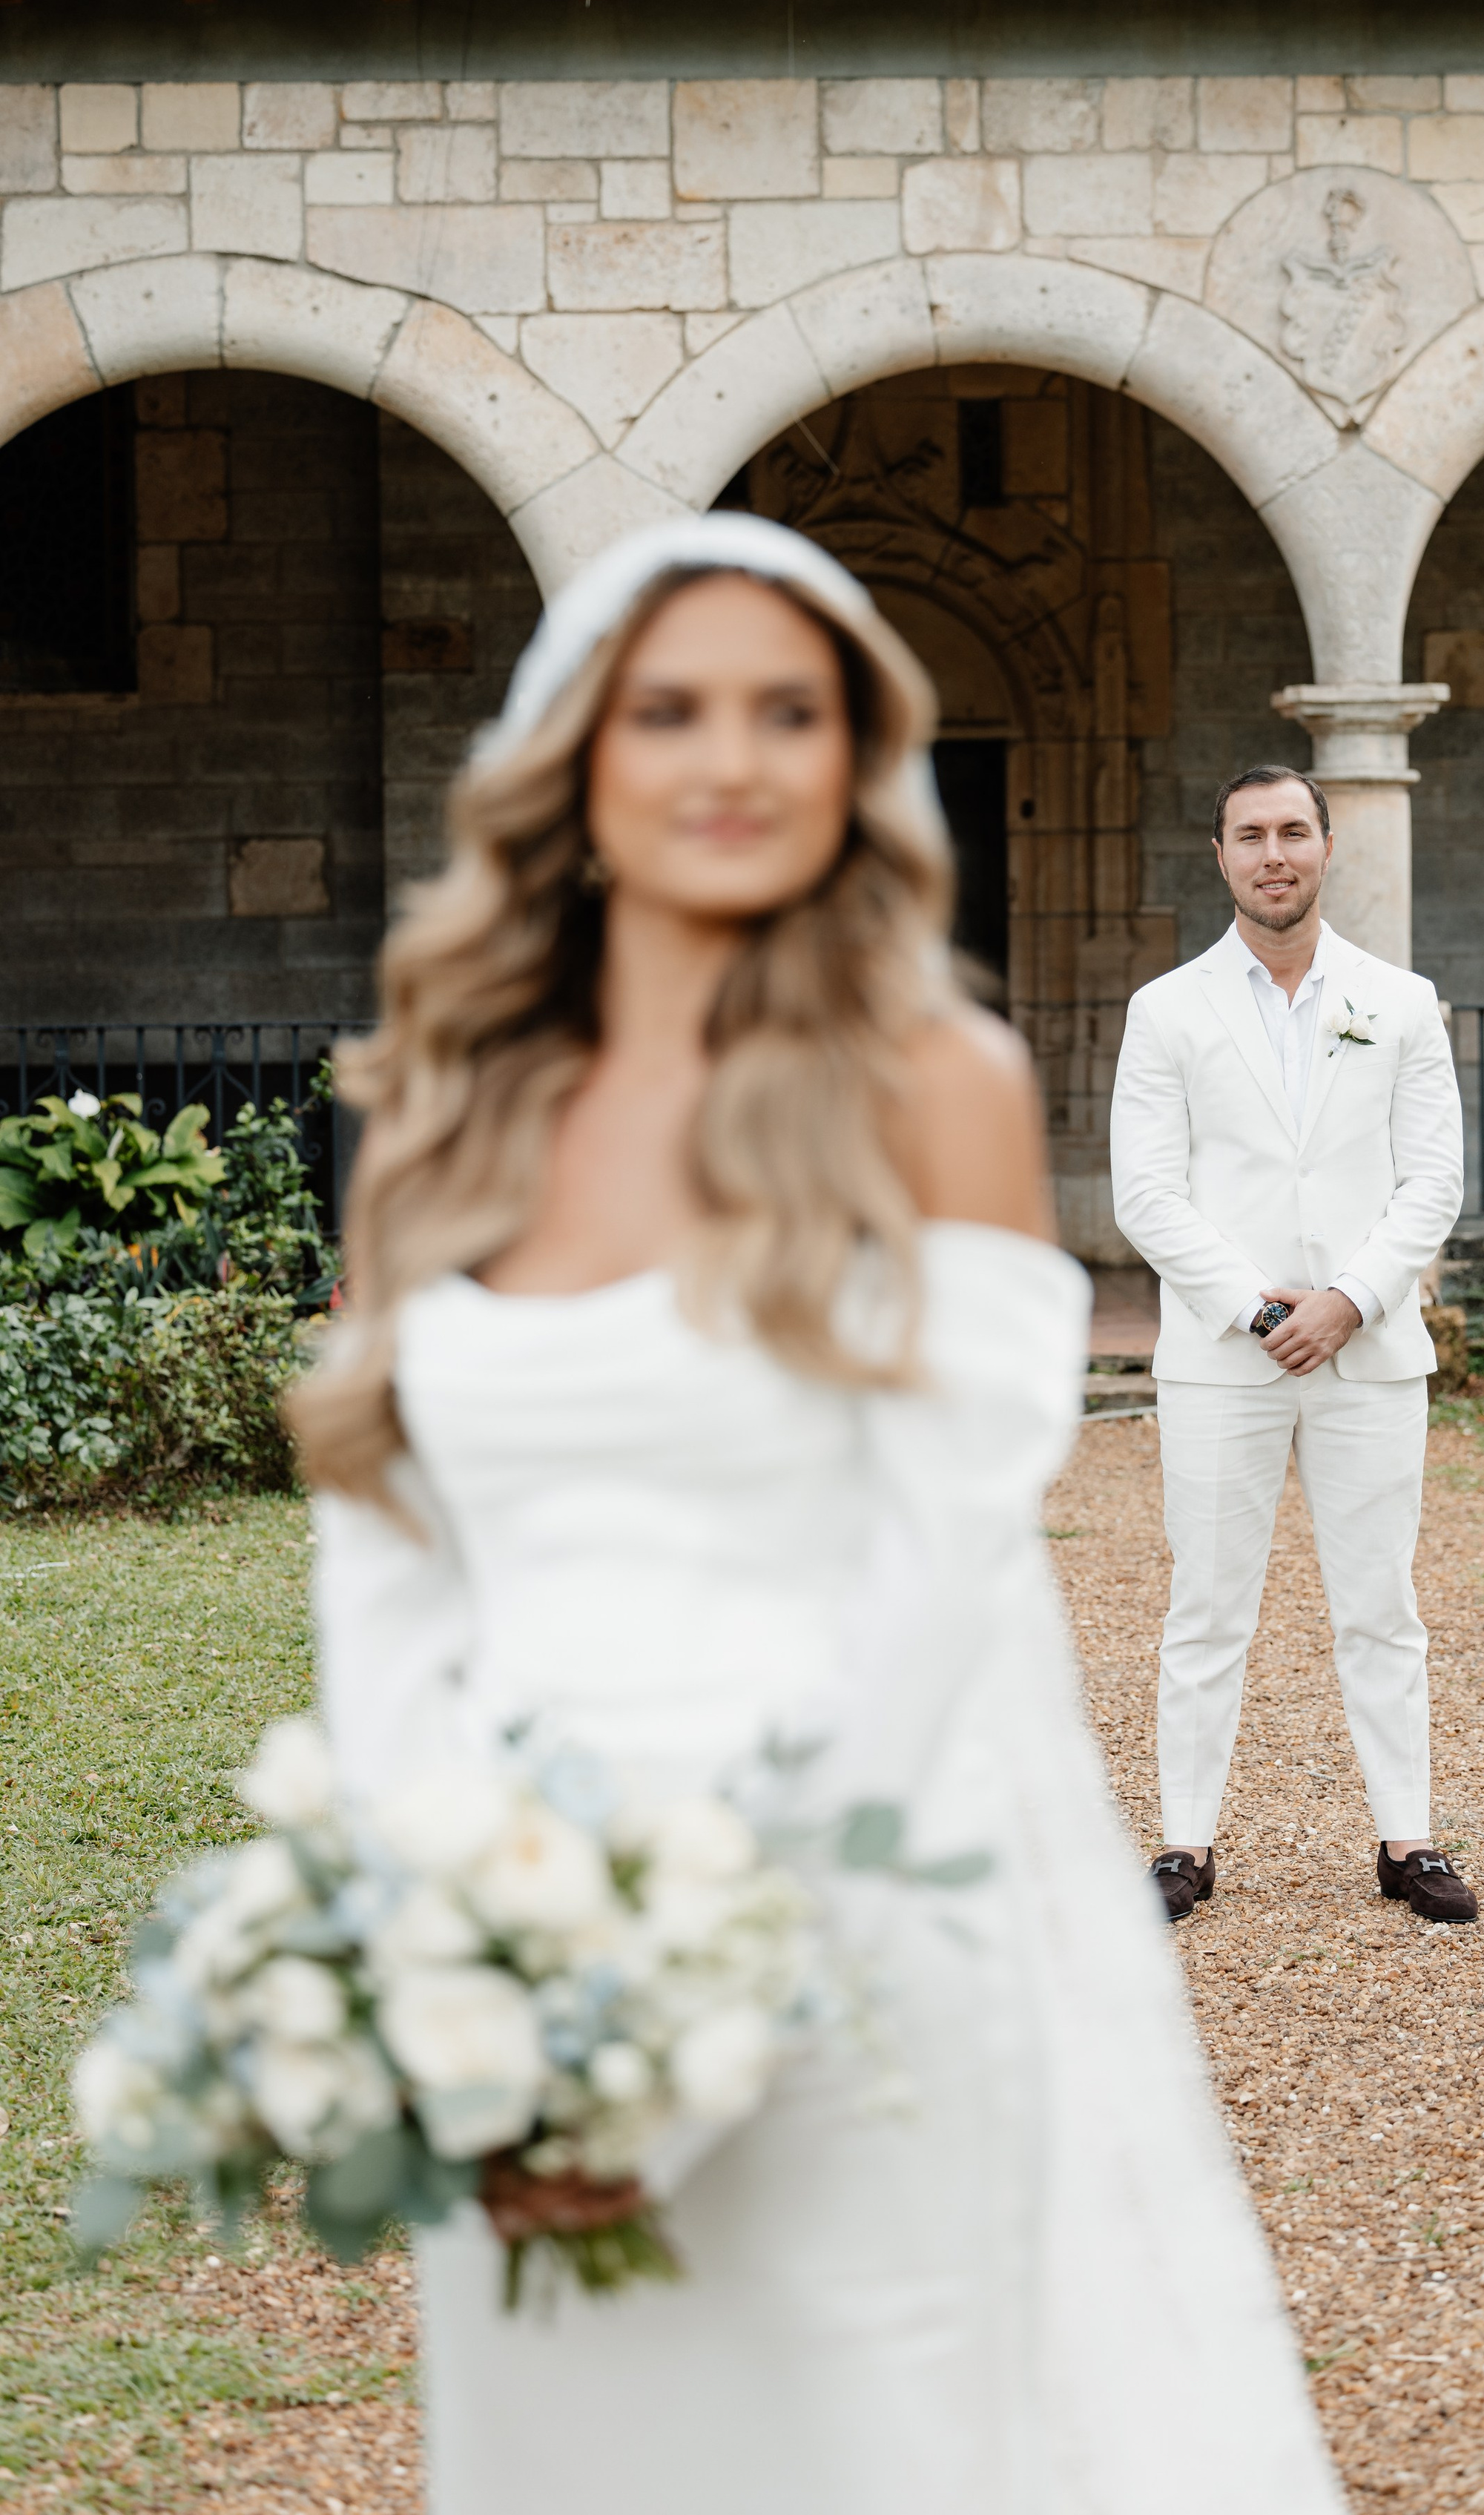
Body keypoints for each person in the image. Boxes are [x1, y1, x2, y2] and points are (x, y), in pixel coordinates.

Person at [288, 527, 1343, 2515]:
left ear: (855, 761)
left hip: (859, 1922)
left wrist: (690, 1984)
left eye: (789, 713)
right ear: (578, 757)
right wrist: (445, 1944)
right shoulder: (450, 1105)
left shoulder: (932, 1082)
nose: (731, 758)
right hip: (509, 1926)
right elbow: (388, 1552)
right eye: (671, 710)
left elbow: (935, 1566)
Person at [1109, 765, 1472, 1929]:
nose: (1275, 853)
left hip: (1370, 1350)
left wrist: (1350, 1300)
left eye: (1294, 831)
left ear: (1326, 847)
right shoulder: (1167, 1009)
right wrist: (1261, 1310)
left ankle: (1408, 1838)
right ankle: (1185, 1843)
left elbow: (1434, 1180)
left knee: (1381, 1603)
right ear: (1219, 855)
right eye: (1252, 834)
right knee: (1207, 1605)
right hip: (1226, 1357)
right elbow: (1146, 1193)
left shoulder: (1399, 1001)